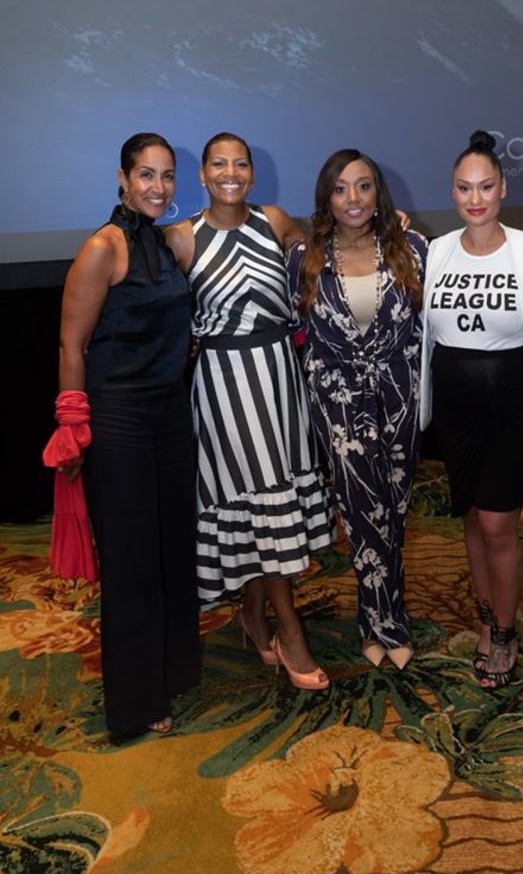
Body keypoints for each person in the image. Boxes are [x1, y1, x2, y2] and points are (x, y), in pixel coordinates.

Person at [164, 132, 334, 691]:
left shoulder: (276, 221)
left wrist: (387, 226)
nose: (230, 173)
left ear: (252, 175)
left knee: (268, 500)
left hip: (279, 378)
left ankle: (252, 616)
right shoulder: (181, 238)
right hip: (223, 386)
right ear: (203, 175)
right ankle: (289, 630)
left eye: (241, 164)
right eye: (219, 164)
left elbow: (329, 250)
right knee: (261, 498)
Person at [52, 132, 201, 738]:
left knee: (170, 552)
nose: (158, 188)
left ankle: (170, 674)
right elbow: (71, 344)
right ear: (121, 177)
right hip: (119, 421)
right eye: (146, 175)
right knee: (133, 561)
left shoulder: (170, 243)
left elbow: (256, 217)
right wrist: (72, 427)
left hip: (172, 416)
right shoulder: (102, 248)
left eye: (166, 177)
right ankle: (137, 703)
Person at [419, 130, 523, 690]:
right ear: (452, 192)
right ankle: (487, 617)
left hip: (511, 402)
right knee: (475, 516)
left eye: (485, 186)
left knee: (500, 519)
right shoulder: (435, 252)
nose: (474, 198)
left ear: (503, 187)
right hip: (456, 403)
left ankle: (504, 631)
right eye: (463, 188)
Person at [286, 150, 427, 670]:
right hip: (338, 403)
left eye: (363, 187)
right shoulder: (304, 256)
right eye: (341, 188)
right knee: (361, 512)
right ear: (326, 196)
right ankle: (382, 623)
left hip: (399, 397)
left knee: (395, 508)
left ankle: (386, 611)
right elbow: (291, 331)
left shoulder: (412, 248)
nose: (353, 199)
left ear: (378, 194)